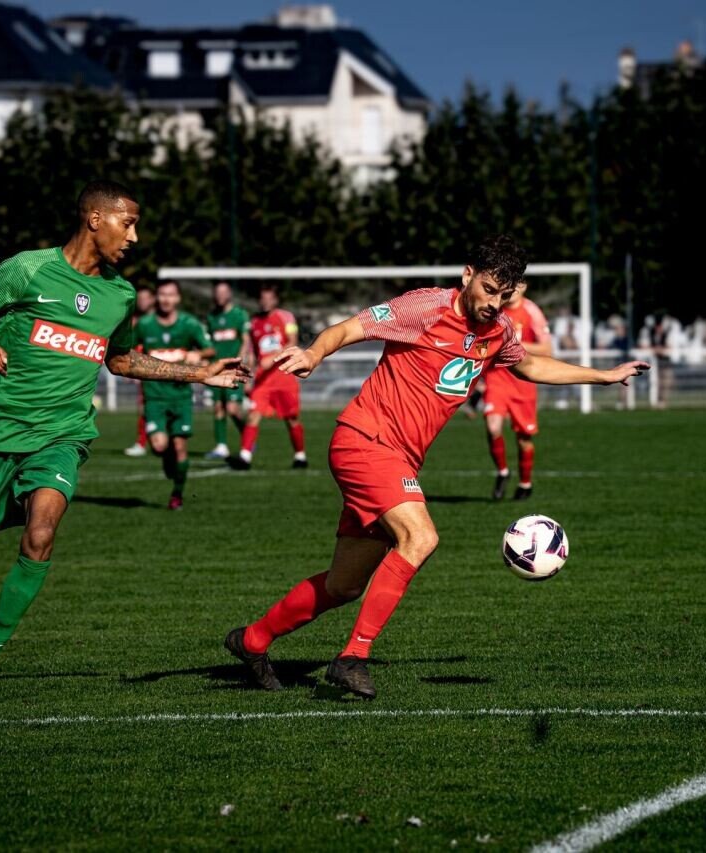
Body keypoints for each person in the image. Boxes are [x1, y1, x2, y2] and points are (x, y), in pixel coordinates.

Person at [223, 235, 648, 699]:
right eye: (488, 289)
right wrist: (313, 353)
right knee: (420, 537)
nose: (494, 303)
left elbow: (529, 366)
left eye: (505, 295)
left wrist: (603, 376)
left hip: (397, 456)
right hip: (365, 440)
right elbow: (350, 328)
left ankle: (252, 640)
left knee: (343, 585)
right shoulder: (423, 308)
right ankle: (352, 658)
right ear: (468, 275)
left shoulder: (499, 330)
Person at [0, 181, 246, 708]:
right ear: (95, 220)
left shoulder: (119, 296)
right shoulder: (28, 269)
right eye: (128, 224)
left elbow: (121, 361)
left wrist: (200, 374)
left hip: (63, 436)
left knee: (41, 535)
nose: (135, 237)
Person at [136, 281, 215, 509]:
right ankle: (168, 459)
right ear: (155, 297)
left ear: (178, 298)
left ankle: (177, 495)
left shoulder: (189, 324)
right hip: (154, 396)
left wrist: (196, 354)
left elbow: (209, 349)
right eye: (162, 294)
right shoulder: (145, 325)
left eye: (170, 295)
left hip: (180, 396)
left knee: (180, 447)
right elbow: (127, 349)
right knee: (159, 446)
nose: (166, 299)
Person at [482, 278, 552, 500]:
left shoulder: (532, 311)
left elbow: (547, 349)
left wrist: (514, 342)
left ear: (525, 287)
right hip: (498, 378)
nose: (514, 290)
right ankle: (503, 471)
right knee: (493, 427)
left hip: (522, 381)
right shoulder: (495, 308)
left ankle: (525, 483)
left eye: (519, 285)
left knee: (524, 439)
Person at [228, 284, 307, 470]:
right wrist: (250, 376)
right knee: (253, 415)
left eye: (269, 298)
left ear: (275, 300)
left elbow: (292, 341)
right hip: (263, 379)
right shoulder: (254, 322)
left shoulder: (286, 317)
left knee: (292, 418)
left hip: (284, 375)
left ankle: (300, 455)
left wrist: (272, 357)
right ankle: (245, 457)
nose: (265, 302)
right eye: (262, 298)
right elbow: (254, 354)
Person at [204, 281, 251, 460]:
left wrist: (240, 360)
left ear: (229, 293)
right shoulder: (211, 317)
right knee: (218, 408)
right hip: (216, 369)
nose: (220, 296)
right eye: (217, 292)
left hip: (234, 370)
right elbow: (208, 343)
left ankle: (247, 436)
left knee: (232, 409)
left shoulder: (239, 315)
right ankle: (221, 446)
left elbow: (246, 340)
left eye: (223, 292)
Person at [122, 283, 156, 457]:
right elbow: (131, 347)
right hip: (145, 372)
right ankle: (142, 442)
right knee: (144, 408)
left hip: (163, 370)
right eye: (139, 298)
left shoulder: (160, 320)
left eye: (145, 298)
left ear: (153, 299)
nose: (142, 302)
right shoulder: (135, 322)